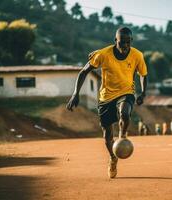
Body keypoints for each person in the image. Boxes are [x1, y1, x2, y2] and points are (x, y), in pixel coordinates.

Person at [66, 27, 148, 179]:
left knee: (125, 112)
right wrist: (75, 93)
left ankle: (123, 135)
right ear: (115, 41)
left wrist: (143, 92)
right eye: (122, 42)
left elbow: (143, 74)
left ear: (131, 41)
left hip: (126, 92)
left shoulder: (137, 55)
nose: (125, 46)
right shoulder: (103, 54)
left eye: (128, 42)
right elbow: (84, 71)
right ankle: (112, 158)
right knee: (107, 136)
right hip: (106, 97)